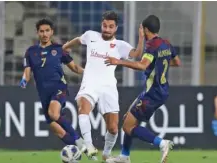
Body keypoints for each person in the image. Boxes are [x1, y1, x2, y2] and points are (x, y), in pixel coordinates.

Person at [62, 11, 144, 161]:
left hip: (108, 86)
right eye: (104, 25)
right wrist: (66, 46)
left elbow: (137, 54)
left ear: (116, 28)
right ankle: (89, 145)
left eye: (110, 27)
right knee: (83, 109)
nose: (106, 29)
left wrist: (141, 37)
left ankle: (106, 154)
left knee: (113, 128)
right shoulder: (91, 35)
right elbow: (79, 40)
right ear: (101, 24)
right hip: (90, 82)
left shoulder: (120, 46)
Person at [105, 15, 181, 163]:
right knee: (128, 118)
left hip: (152, 93)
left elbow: (142, 65)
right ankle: (124, 156)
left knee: (127, 127)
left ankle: (161, 143)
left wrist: (119, 61)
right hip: (161, 91)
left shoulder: (152, 46)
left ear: (146, 29)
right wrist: (159, 64)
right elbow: (177, 62)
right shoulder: (166, 43)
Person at [19, 18, 86, 152]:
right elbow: (27, 72)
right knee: (57, 130)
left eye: (47, 31)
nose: (44, 34)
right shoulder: (30, 52)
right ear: (37, 33)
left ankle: (78, 139)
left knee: (53, 113)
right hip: (44, 93)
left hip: (59, 87)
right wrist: (24, 80)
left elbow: (74, 68)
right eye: (42, 31)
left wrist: (89, 72)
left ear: (52, 32)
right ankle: (82, 151)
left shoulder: (59, 49)